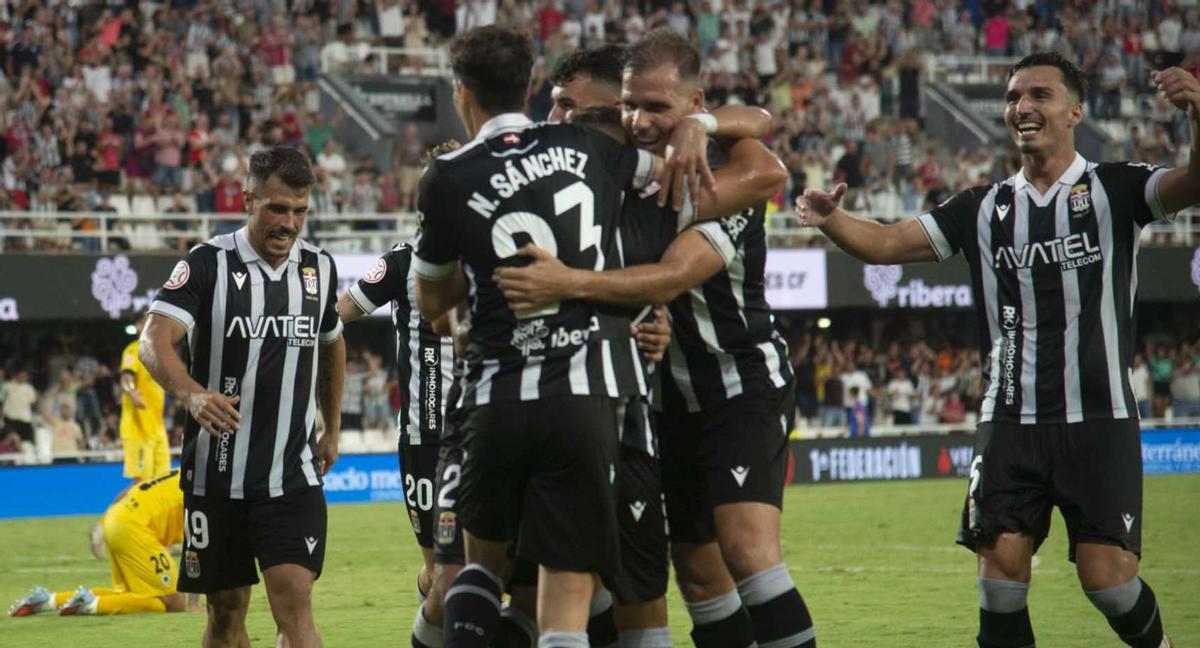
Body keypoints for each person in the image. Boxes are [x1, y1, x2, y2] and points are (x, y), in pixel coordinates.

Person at [796, 51, 1186, 648]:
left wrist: (1196, 113)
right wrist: (831, 220)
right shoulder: (981, 207)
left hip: (1099, 421)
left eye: (1038, 95)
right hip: (1009, 421)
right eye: (1012, 98)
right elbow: (883, 244)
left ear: (1075, 110)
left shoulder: (1118, 188)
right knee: (999, 579)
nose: (1021, 107)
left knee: (1107, 583)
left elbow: (1194, 182)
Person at [494, 29, 815, 648]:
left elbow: (675, 271)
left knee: (746, 550)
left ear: (693, 102)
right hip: (656, 397)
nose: (640, 121)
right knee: (695, 571)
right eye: (630, 106)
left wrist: (571, 283)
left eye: (659, 108)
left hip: (737, 383)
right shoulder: (617, 180)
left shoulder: (722, 179)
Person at [411, 25, 665, 648]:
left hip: (494, 399)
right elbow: (674, 172)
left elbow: (432, 297)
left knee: (477, 570)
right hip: (581, 398)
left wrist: (464, 317)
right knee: (567, 587)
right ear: (529, 86)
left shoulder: (446, 176)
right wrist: (697, 127)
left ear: (461, 91)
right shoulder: (585, 147)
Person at [139, 146, 346, 648]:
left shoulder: (318, 269)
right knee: (226, 615)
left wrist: (331, 425)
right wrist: (190, 395)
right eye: (278, 208)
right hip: (217, 474)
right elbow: (154, 340)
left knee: (295, 602)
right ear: (247, 199)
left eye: (300, 211)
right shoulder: (206, 264)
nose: (289, 223)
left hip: (290, 474)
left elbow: (332, 343)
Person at [337, 228, 464, 648]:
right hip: (425, 436)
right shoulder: (401, 261)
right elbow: (341, 310)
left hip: (487, 425)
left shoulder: (492, 246)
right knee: (442, 574)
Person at [9, 470, 198, 616]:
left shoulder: (182, 472)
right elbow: (197, 547)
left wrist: (105, 523)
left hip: (116, 518)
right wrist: (195, 602)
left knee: (128, 594)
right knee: (175, 602)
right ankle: (91, 605)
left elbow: (128, 491)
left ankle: (47, 600)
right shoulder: (203, 493)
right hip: (135, 528)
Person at [119, 311, 170, 483]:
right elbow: (126, 377)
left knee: (162, 482)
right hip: (138, 429)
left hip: (158, 430)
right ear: (139, 326)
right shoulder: (133, 350)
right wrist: (132, 392)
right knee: (141, 485)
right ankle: (117, 510)